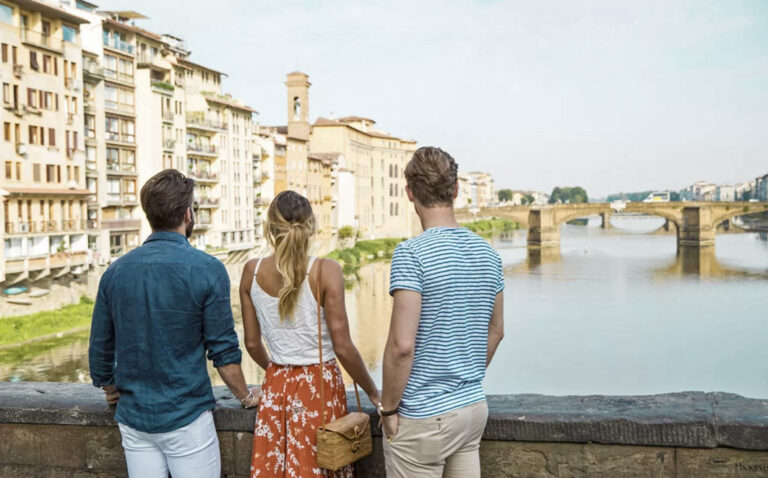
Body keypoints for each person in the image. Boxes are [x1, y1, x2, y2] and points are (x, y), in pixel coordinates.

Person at [89, 169, 258, 478]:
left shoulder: (115, 272)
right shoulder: (208, 269)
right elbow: (223, 352)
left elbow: (100, 348)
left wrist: (110, 386)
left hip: (134, 420)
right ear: (187, 214)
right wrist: (246, 397)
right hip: (187, 419)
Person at [379, 147, 505, 477]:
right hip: (471, 407)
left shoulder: (411, 255)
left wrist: (389, 408)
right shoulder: (488, 254)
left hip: (422, 416)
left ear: (409, 194)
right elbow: (496, 331)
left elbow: (401, 347)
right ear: (456, 190)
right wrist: (464, 373)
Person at [241, 190, 380, 478]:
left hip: (276, 384)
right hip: (319, 384)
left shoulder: (250, 272)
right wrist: (373, 392)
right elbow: (343, 347)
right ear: (311, 227)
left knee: (275, 468)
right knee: (320, 465)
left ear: (268, 228)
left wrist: (278, 370)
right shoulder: (326, 271)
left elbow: (252, 343)